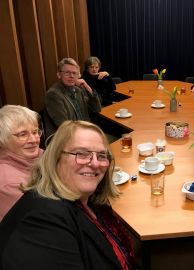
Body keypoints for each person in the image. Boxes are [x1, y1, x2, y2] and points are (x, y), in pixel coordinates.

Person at [0, 120, 136, 269]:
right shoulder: (43, 220)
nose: (95, 163)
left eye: (102, 156)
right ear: (56, 158)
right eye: (82, 154)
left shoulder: (88, 199)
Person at [0, 105, 43, 221]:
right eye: (22, 134)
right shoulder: (8, 183)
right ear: (2, 140)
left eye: (35, 132)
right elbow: (40, 221)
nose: (34, 140)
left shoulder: (42, 156)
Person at [43, 58, 101, 138]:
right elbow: (65, 126)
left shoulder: (78, 90)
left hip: (84, 133)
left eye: (74, 73)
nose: (71, 76)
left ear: (79, 75)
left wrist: (88, 88)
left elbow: (96, 109)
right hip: (66, 139)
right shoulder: (53, 94)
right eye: (67, 73)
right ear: (59, 75)